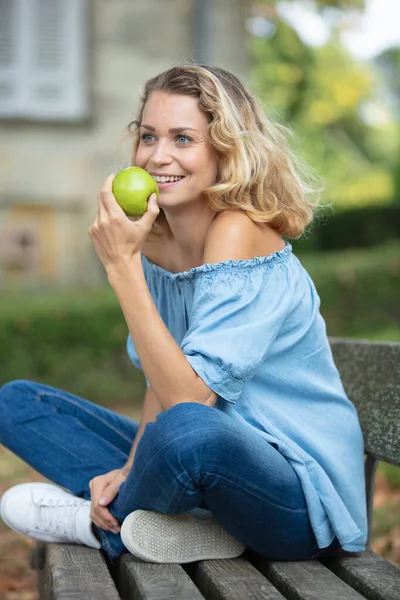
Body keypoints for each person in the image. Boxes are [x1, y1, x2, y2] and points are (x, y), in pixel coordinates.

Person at [0, 64, 367, 564]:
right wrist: (131, 467)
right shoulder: (154, 241)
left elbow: (189, 400)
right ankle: (184, 522)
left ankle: (95, 526)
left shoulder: (238, 232)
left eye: (183, 138)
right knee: (18, 402)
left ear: (225, 151)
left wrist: (121, 267)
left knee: (187, 430)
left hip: (296, 499)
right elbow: (162, 379)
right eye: (148, 136)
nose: (157, 156)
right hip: (208, 457)